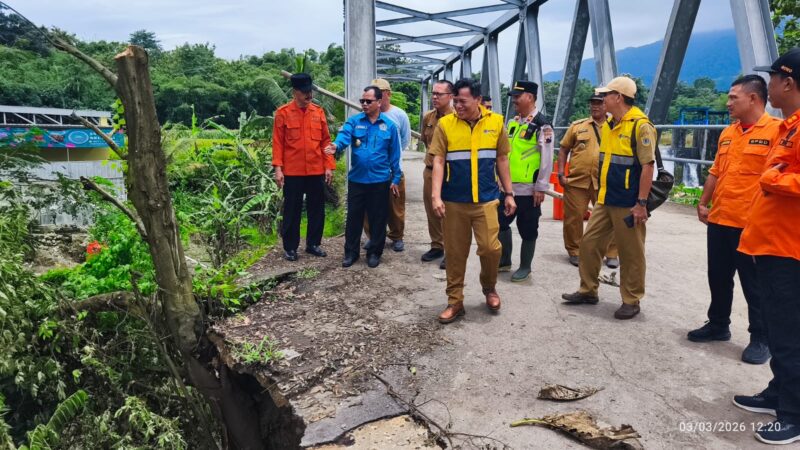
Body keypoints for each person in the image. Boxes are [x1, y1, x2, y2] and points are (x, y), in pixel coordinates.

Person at [732, 47, 800, 446]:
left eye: (772, 78)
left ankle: (794, 413)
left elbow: (777, 176)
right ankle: (778, 393)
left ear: (787, 82)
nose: (768, 84)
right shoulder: (789, 126)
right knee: (778, 328)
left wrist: (775, 179)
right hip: (772, 245)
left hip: (790, 250)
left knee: (790, 333)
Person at [687, 75, 779, 365]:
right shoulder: (728, 132)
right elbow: (715, 172)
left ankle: (761, 337)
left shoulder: (776, 132)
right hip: (720, 218)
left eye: (732, 97)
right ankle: (718, 324)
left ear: (753, 98)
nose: (728, 103)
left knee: (755, 284)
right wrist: (703, 202)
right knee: (718, 277)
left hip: (751, 224)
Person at [561, 76, 656, 320]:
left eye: (606, 95)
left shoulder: (640, 126)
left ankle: (631, 300)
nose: (602, 99)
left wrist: (641, 203)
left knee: (631, 252)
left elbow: (648, 166)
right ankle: (588, 290)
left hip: (628, 202)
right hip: (605, 198)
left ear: (618, 98)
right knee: (589, 243)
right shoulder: (610, 125)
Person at [429, 78, 516, 324]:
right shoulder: (446, 124)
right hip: (454, 200)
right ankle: (455, 301)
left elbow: (502, 159)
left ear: (478, 100)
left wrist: (509, 193)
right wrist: (436, 196)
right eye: (455, 101)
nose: (458, 106)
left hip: (486, 199)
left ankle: (489, 287)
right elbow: (438, 160)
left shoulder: (495, 122)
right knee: (455, 253)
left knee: (490, 248)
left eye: (463, 101)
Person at [325, 86, 401, 269]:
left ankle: (374, 253)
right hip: (357, 180)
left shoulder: (389, 126)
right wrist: (336, 145)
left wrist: (396, 178)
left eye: (368, 101)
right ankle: (350, 253)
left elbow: (395, 154)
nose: (364, 104)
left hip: (380, 180)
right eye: (362, 101)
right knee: (354, 218)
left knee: (378, 218)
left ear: (379, 102)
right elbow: (344, 136)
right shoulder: (354, 122)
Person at [272, 73, 335, 261]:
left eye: (310, 91)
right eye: (305, 92)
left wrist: (329, 166)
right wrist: (278, 169)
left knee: (317, 208)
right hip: (293, 171)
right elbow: (278, 143)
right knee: (292, 209)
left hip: (316, 169)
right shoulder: (283, 113)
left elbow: (326, 141)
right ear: (295, 92)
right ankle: (290, 247)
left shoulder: (318, 112)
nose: (309, 95)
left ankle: (313, 244)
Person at [497, 80, 553, 282]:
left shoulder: (542, 125)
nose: (514, 100)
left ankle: (525, 266)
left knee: (528, 228)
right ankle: (504, 260)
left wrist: (541, 187)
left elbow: (547, 158)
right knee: (500, 223)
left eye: (517, 96)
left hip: (529, 190)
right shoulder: (513, 123)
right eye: (513, 97)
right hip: (508, 188)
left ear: (529, 97)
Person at [557, 93, 619, 268]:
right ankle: (575, 251)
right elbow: (563, 149)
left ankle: (611, 252)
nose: (595, 106)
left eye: (599, 103)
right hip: (577, 181)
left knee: (610, 218)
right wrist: (561, 173)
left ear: (606, 106)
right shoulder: (578, 126)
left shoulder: (615, 126)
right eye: (592, 103)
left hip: (605, 181)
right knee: (573, 218)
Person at [361, 78, 411, 252]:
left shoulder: (399, 115)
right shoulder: (365, 115)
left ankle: (397, 236)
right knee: (370, 207)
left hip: (392, 170)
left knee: (395, 206)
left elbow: (404, 141)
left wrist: (390, 157)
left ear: (388, 94)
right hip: (370, 172)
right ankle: (373, 236)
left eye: (380, 93)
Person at [420, 80, 454, 270]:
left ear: (450, 96)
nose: (434, 97)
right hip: (431, 169)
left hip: (450, 171)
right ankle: (437, 246)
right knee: (432, 210)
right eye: (433, 93)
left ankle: (451, 251)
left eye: (439, 94)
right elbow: (426, 141)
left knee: (450, 212)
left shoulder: (457, 117)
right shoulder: (428, 117)